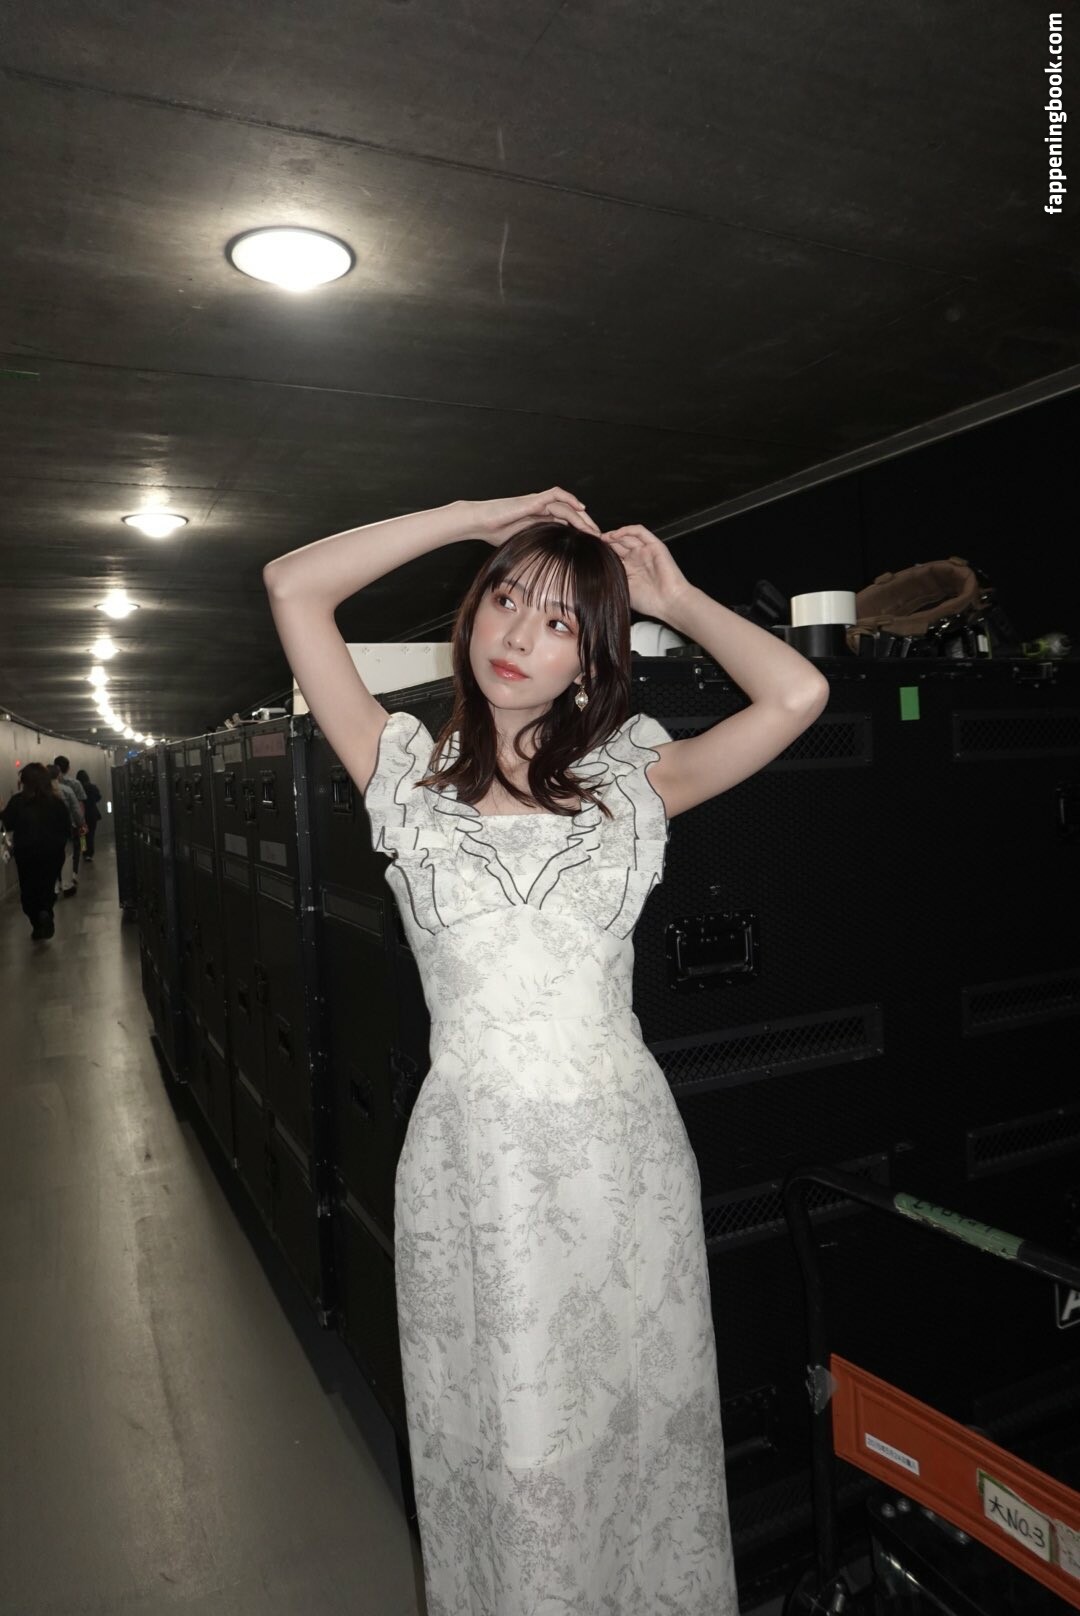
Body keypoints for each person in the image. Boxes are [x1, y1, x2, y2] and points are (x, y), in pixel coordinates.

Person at [263, 490, 829, 1615]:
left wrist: (674, 598)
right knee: (508, 1442)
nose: (519, 635)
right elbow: (294, 585)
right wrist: (473, 516)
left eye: (561, 622)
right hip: (477, 1167)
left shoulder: (634, 784)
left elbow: (798, 692)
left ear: (592, 660)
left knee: (642, 1424)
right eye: (507, 600)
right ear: (473, 612)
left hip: (623, 1161)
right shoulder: (402, 773)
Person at [1, 763, 73, 939]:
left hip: (26, 854)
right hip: (53, 853)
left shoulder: (18, 802)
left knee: (28, 890)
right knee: (47, 886)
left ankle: (37, 922)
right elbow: (66, 828)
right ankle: (45, 911)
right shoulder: (56, 802)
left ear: (24, 781)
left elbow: (7, 824)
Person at [48, 764, 85, 896]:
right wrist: (81, 824)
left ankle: (54, 887)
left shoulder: (40, 792)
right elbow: (76, 811)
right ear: (58, 775)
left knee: (50, 857)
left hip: (46, 832)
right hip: (65, 829)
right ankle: (67, 884)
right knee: (67, 855)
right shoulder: (67, 790)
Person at [75, 768, 103, 859]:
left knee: (82, 835)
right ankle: (89, 854)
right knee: (91, 835)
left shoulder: (78, 788)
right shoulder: (93, 787)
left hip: (82, 815)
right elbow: (99, 797)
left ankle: (84, 852)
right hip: (92, 814)